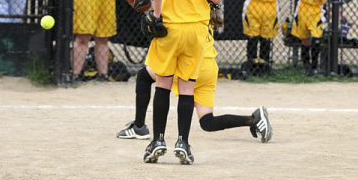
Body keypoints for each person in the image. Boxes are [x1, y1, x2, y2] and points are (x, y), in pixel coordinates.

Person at [143, 0, 221, 165]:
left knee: (163, 84)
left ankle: (158, 140)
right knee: (187, 87)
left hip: (171, 29)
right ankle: (183, 143)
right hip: (197, 31)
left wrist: (156, 14)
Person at [116, 30, 272, 144]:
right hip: (210, 67)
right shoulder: (201, 10)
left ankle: (138, 127)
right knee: (207, 122)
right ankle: (254, 119)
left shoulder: (185, 11)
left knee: (144, 76)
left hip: (193, 65)